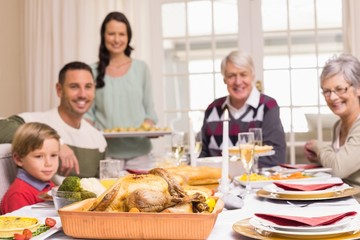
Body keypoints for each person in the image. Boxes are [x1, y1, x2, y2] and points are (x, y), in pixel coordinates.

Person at [0, 61, 107, 178]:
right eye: (74, 86)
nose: (82, 94)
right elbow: (2, 127)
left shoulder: (98, 140)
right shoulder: (33, 121)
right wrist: (58, 143)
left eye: (88, 87)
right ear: (59, 90)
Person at [85, 11, 158, 169]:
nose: (117, 39)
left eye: (121, 34)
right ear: (104, 36)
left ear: (128, 37)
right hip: (107, 154)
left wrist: (149, 127)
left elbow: (149, 112)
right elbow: (88, 115)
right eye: (111, 33)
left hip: (140, 154)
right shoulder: (92, 71)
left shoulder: (141, 68)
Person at [199, 50, 286, 168]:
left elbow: (276, 156)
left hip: (254, 183)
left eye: (243, 74)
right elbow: (203, 155)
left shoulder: (267, 107)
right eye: (231, 76)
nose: (238, 81)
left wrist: (232, 167)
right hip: (216, 182)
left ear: (253, 76)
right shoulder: (213, 109)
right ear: (224, 79)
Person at [304, 54, 360, 186]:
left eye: (340, 89)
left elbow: (338, 169)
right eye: (327, 91)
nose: (333, 97)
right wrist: (319, 157)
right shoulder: (338, 126)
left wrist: (318, 147)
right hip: (344, 198)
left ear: (358, 88)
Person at [1, 122, 60, 214]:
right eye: (39, 156)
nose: (49, 163)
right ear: (19, 159)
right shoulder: (18, 195)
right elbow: (20, 227)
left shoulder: (49, 185)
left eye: (53, 155)